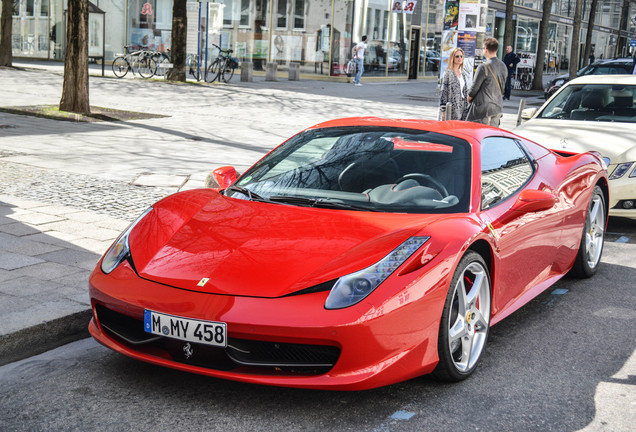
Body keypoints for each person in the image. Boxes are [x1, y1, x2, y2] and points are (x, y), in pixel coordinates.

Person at [466, 37, 508, 127]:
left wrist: (468, 98)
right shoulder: (503, 66)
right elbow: (503, 87)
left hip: (483, 110)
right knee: (491, 137)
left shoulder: (483, 67)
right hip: (497, 108)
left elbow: (474, 88)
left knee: (479, 137)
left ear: (485, 49)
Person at [439, 47, 469, 120]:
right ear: (453, 58)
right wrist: (443, 111)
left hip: (462, 106)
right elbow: (443, 92)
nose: (460, 58)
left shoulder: (463, 74)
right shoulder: (448, 73)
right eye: (457, 56)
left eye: (461, 56)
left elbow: (465, 92)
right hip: (451, 108)